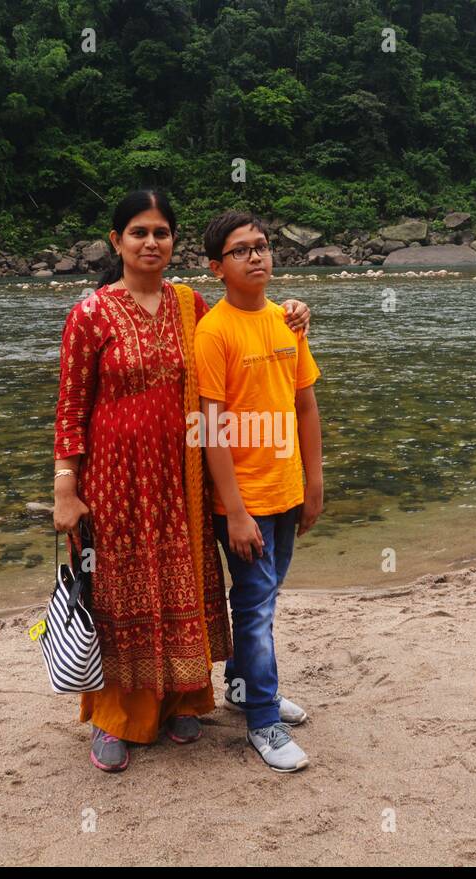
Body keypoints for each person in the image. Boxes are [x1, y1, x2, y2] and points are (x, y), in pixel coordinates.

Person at [51, 189, 312, 772]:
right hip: (116, 479)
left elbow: (245, 309)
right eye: (139, 232)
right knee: (120, 592)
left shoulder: (190, 303)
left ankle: (181, 701)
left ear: (174, 243)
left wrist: (293, 309)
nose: (151, 242)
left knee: (182, 587)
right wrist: (65, 487)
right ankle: (115, 719)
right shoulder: (91, 313)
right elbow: (70, 407)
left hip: (184, 475)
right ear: (116, 241)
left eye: (162, 232)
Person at [194, 210, 324, 772]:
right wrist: (237, 513)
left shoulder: (286, 321)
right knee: (253, 609)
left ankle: (244, 688)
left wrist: (314, 481)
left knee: (262, 602)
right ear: (216, 267)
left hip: (287, 491)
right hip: (243, 503)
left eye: (263, 246)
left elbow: (304, 404)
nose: (256, 256)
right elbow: (210, 430)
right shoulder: (214, 331)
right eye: (241, 250)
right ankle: (263, 721)